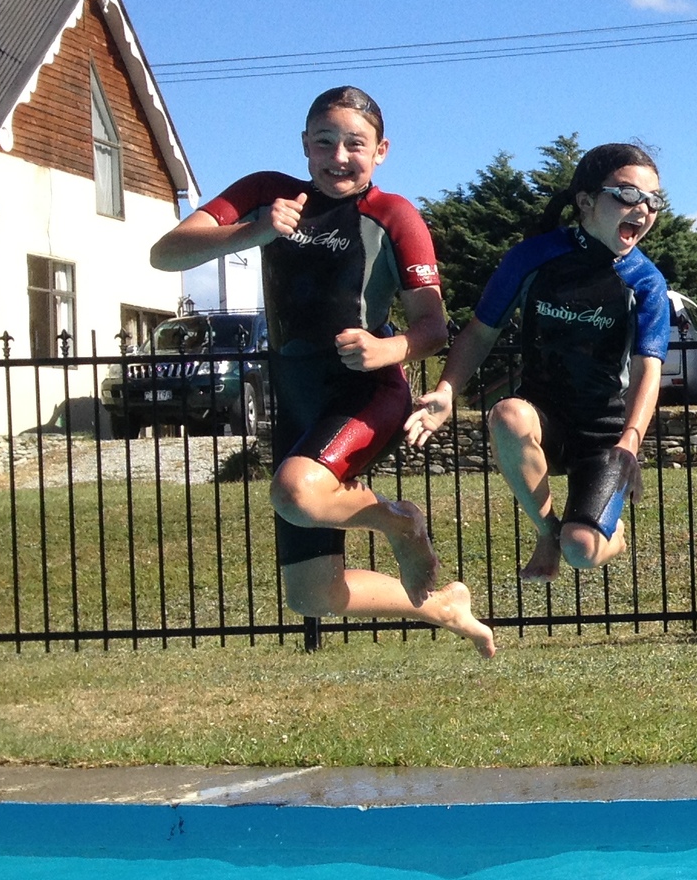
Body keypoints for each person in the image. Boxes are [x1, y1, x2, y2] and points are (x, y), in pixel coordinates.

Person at [149, 84, 493, 654]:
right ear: (304, 146)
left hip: (366, 392)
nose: (338, 156)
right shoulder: (268, 194)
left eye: (354, 144)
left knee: (294, 494)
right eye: (324, 142)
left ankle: (402, 524)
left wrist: (391, 350)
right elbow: (166, 253)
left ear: (380, 150)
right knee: (314, 595)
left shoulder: (394, 214)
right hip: (298, 399)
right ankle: (444, 605)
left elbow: (433, 327)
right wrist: (254, 230)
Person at [406, 142, 673, 581]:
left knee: (583, 550)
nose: (642, 209)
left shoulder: (645, 281)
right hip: (542, 416)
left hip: (602, 435)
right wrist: (447, 391)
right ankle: (547, 532)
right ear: (586, 202)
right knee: (508, 414)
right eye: (627, 195)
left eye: (652, 200)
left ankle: (603, 533)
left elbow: (649, 368)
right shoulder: (532, 259)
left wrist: (630, 441)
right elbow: (479, 333)